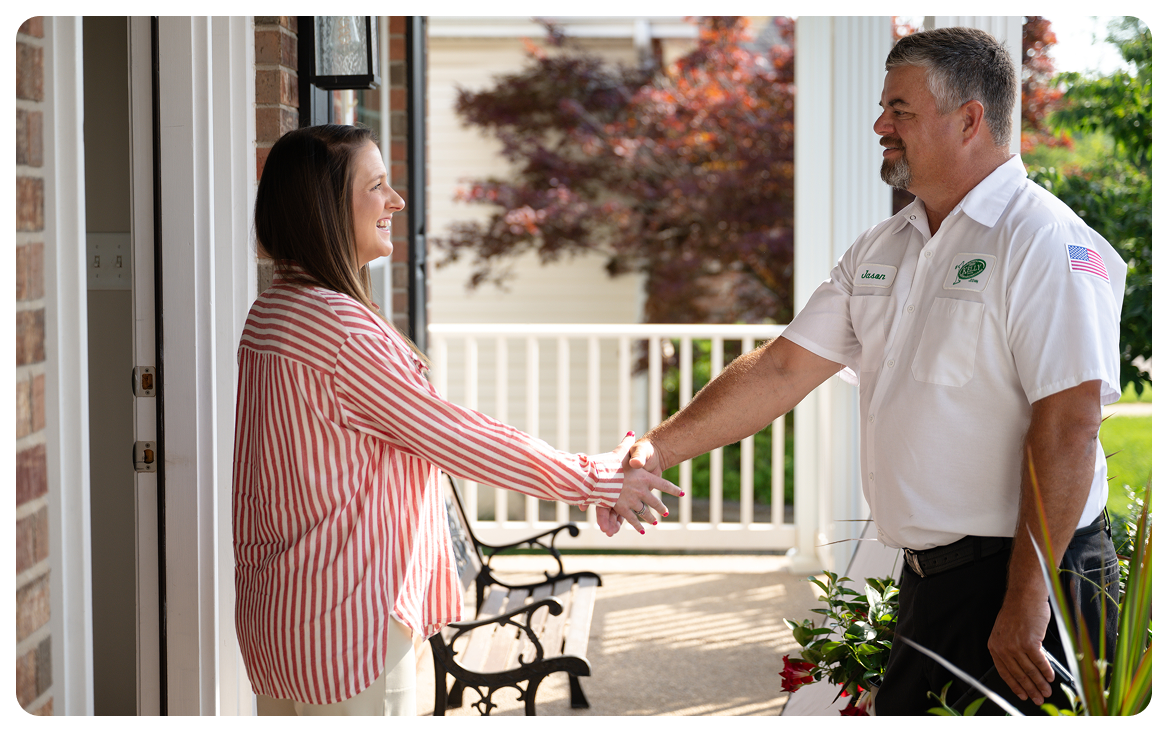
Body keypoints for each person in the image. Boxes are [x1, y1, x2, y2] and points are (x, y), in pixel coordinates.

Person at [610, 27, 1125, 715]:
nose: (880, 125)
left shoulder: (1043, 241)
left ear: (969, 118)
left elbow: (1069, 426)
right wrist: (657, 447)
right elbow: (784, 367)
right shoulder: (885, 245)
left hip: (1031, 583)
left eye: (900, 110)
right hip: (933, 587)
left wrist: (1029, 602)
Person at [232, 124, 678, 716]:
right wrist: (595, 479)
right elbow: (457, 437)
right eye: (378, 186)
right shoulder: (339, 328)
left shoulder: (273, 311)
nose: (396, 201)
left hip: (287, 610)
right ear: (327, 209)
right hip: (346, 619)